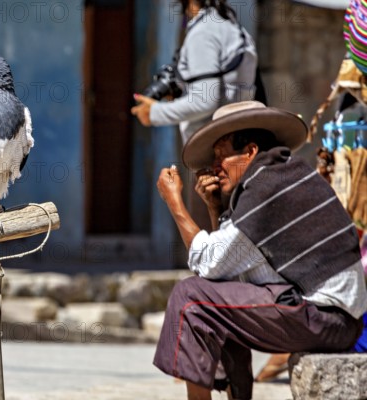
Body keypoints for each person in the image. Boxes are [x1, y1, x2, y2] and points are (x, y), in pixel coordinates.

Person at [153, 101, 367, 400]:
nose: (215, 167)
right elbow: (227, 270)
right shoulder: (276, 175)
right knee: (216, 299)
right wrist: (215, 208)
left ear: (250, 151)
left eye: (222, 155)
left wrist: (175, 203)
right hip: (333, 319)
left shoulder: (267, 185)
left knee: (190, 298)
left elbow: (210, 263)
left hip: (327, 319)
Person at [131, 0, 258, 143]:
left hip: (213, 150)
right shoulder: (232, 27)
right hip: (235, 140)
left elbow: (204, 101)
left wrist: (154, 112)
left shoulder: (204, 32)